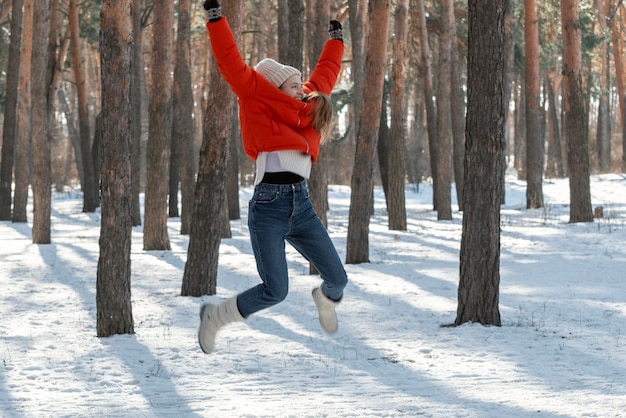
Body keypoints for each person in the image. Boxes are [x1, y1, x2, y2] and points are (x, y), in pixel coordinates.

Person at [198, 0, 349, 354]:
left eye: (302, 84)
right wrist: (216, 19)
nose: (303, 89)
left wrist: (336, 40)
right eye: (295, 85)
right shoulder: (255, 98)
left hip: (302, 207)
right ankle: (215, 317)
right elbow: (231, 62)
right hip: (269, 206)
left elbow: (326, 73)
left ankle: (325, 300)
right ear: (277, 87)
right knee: (275, 290)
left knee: (338, 279)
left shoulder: (307, 109)